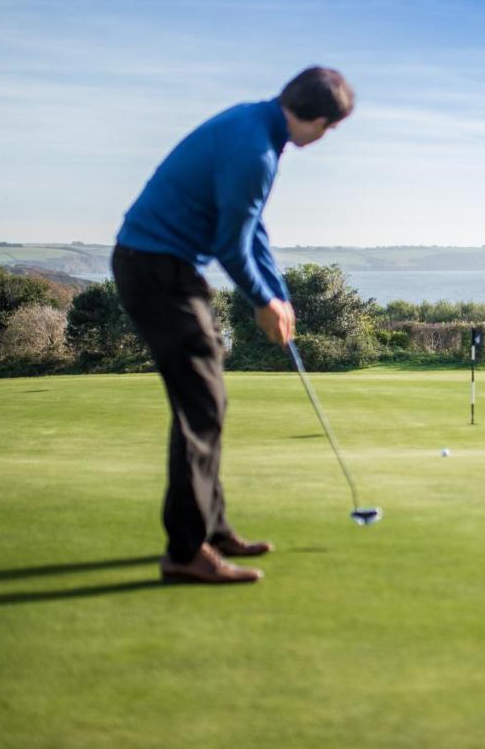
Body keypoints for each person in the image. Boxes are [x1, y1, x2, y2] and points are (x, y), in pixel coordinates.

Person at [112, 67, 354, 584]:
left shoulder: (258, 128)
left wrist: (278, 295)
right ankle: (185, 552)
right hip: (156, 268)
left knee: (210, 401)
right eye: (329, 127)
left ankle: (212, 529)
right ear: (314, 117)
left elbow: (252, 230)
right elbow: (229, 244)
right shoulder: (255, 150)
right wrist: (260, 301)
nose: (325, 137)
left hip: (163, 265)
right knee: (200, 404)